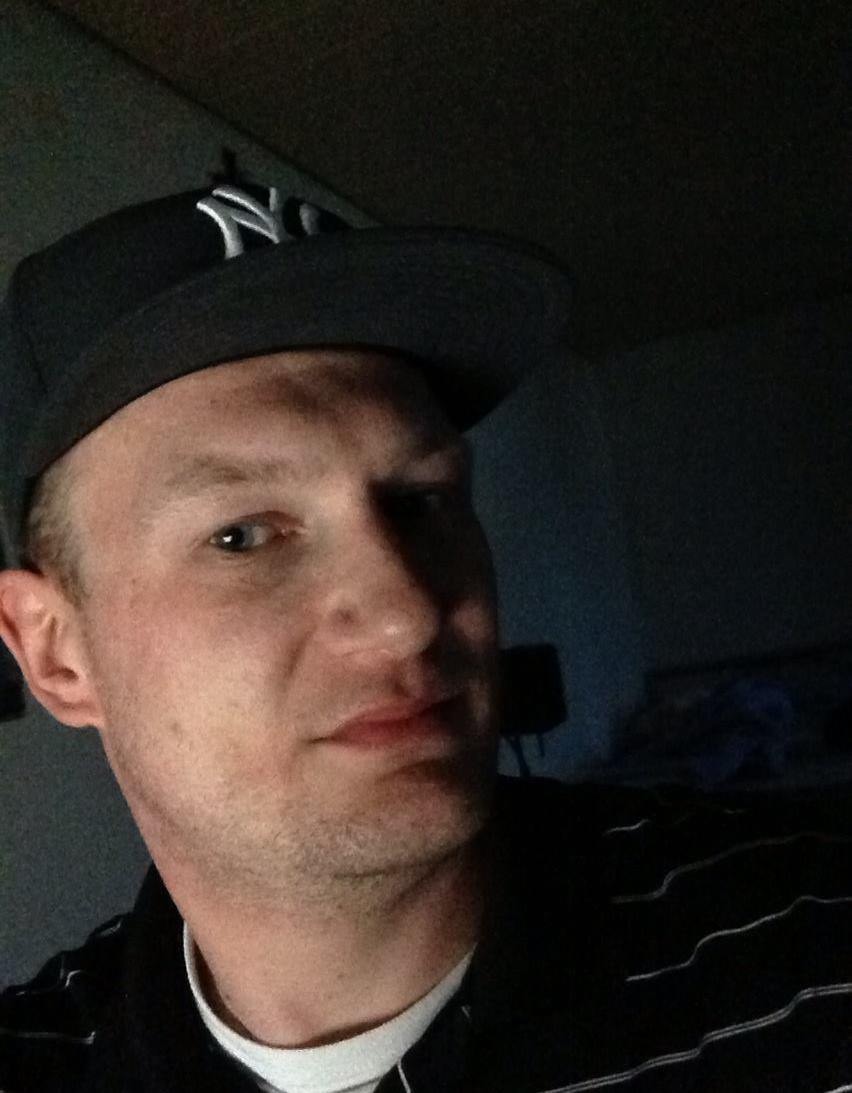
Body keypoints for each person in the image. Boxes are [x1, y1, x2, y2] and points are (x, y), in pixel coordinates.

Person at [0, 181, 849, 1093]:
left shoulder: (812, 954)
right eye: (241, 535)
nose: (408, 615)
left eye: (423, 501)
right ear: (55, 652)